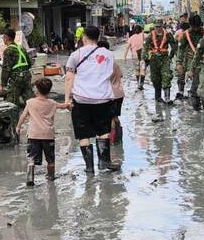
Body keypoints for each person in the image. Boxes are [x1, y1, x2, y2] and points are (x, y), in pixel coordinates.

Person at [64, 26, 120, 174]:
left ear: (84, 37)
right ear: (99, 37)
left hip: (81, 99)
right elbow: (111, 73)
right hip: (103, 98)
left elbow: (69, 77)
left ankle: (89, 167)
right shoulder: (109, 54)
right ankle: (104, 161)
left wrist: (67, 99)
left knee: (83, 134)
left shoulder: (76, 54)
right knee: (103, 130)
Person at [16, 78, 66, 186]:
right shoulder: (52, 103)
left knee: (31, 158)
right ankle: (51, 177)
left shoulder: (30, 102)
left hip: (33, 135)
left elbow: (23, 115)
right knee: (50, 159)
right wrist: (68, 104)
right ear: (49, 90)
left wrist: (18, 127)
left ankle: (30, 178)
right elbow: (62, 106)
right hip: (48, 136)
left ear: (37, 90)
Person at [0, 29, 33, 109]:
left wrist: (2, 84)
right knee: (29, 99)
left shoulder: (8, 51)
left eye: (3, 38)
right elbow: (29, 63)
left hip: (16, 78)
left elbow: (6, 69)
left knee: (12, 102)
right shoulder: (21, 48)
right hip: (27, 75)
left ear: (6, 38)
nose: (3, 40)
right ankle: (36, 117)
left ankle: (14, 120)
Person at [143, 23, 177, 104]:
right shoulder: (151, 35)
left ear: (162, 27)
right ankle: (158, 97)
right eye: (157, 26)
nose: (158, 28)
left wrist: (171, 56)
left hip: (165, 58)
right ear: (155, 27)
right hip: (154, 59)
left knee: (167, 76)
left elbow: (174, 47)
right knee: (155, 78)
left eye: (160, 26)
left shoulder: (168, 35)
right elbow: (145, 47)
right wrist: (144, 59)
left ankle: (167, 98)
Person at [177, 15, 204, 108]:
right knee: (193, 81)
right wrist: (179, 63)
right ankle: (194, 100)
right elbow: (180, 49)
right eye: (194, 27)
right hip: (191, 60)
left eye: (197, 26)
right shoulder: (186, 34)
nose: (196, 29)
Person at [124, 24, 146, 90]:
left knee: (137, 70)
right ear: (141, 30)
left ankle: (138, 84)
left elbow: (127, 48)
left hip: (134, 56)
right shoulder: (143, 35)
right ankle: (141, 85)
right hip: (142, 56)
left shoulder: (131, 38)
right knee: (142, 70)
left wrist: (124, 57)